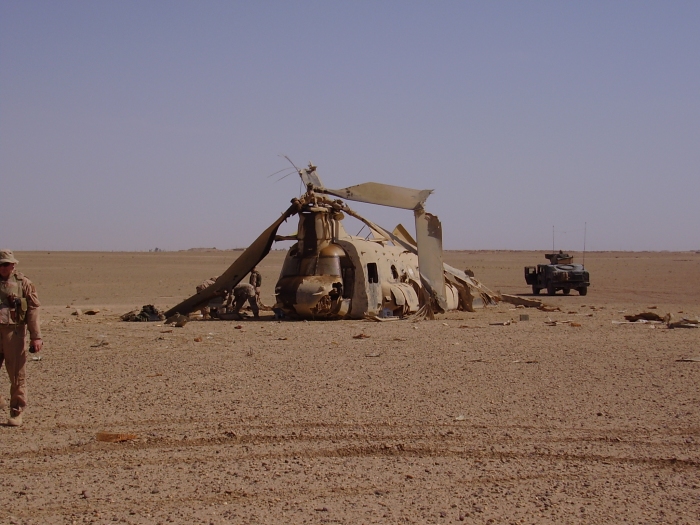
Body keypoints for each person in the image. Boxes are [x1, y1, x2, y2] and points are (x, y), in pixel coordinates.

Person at [0, 249, 42, 427]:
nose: (3, 267)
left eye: (6, 264)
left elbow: (33, 310)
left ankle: (16, 411)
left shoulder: (23, 283)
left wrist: (36, 336)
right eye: (1, 264)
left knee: (17, 374)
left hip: (14, 332)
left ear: (13, 265)